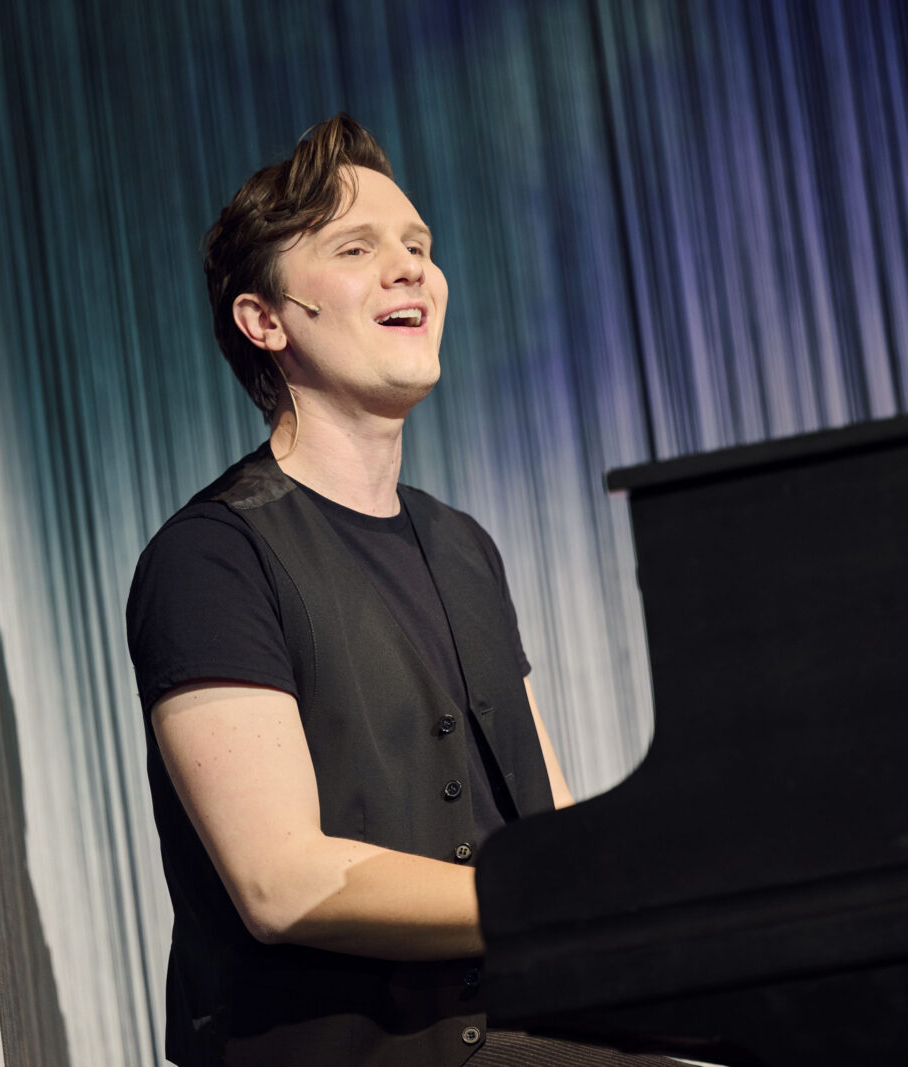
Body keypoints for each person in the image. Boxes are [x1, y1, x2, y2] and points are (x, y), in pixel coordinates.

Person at [127, 116, 682, 1066]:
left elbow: (549, 832)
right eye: (357, 248)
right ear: (265, 320)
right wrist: (542, 903)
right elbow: (281, 882)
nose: (410, 268)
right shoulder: (212, 558)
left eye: (418, 245)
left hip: (532, 1024)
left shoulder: (465, 546)